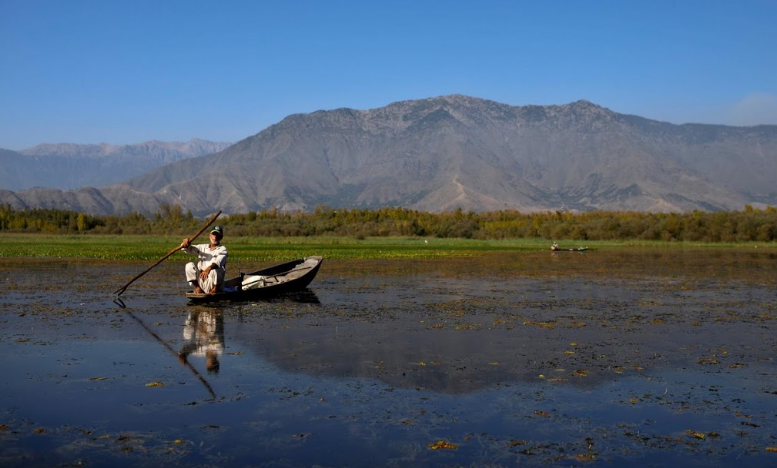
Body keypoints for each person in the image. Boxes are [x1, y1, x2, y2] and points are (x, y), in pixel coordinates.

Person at [181, 225, 227, 295]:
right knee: (189, 265)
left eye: (218, 235)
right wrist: (185, 244)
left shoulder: (222, 249)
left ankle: (214, 289)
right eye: (214, 234)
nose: (215, 237)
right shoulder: (202, 247)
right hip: (201, 280)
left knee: (215, 268)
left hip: (214, 282)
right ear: (209, 235)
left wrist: (208, 269)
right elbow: (189, 249)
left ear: (221, 237)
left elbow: (218, 262)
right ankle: (198, 288)